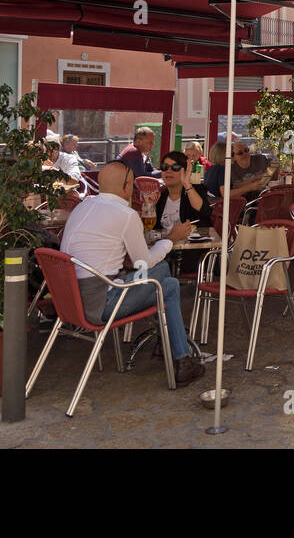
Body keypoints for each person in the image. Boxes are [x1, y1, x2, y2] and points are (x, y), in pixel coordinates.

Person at [60, 161, 202, 386]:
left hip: (71, 301)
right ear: (127, 186)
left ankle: (162, 338)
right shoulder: (125, 214)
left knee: (161, 270)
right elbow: (142, 262)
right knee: (170, 286)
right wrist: (170, 239)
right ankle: (182, 359)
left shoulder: (82, 207)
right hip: (104, 302)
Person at [154, 150, 212, 231]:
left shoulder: (195, 190)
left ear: (185, 171)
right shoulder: (160, 196)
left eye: (175, 167)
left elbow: (204, 210)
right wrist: (150, 206)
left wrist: (187, 184)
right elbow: (152, 229)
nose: (168, 170)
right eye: (165, 167)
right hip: (166, 242)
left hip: (192, 242)